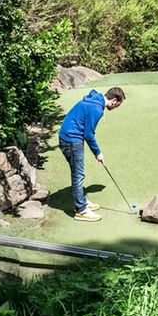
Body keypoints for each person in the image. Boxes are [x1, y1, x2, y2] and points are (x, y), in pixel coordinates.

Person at [57, 86, 126, 222]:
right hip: (71, 141)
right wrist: (98, 152)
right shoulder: (96, 108)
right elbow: (88, 134)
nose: (117, 107)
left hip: (69, 137)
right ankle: (81, 210)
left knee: (78, 173)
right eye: (118, 104)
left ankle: (82, 201)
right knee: (78, 175)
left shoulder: (94, 100)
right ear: (113, 100)